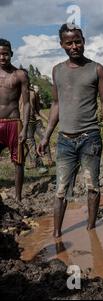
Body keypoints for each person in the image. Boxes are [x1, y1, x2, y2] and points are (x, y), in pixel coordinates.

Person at [38, 23, 103, 238]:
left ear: (84, 41)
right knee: (60, 191)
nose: (74, 46)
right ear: (61, 44)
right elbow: (56, 104)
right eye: (69, 42)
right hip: (64, 140)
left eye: (77, 41)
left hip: (90, 137)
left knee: (93, 187)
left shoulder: (96, 69)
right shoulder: (57, 71)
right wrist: (46, 136)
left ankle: (91, 232)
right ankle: (56, 235)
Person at [0, 38, 30, 202]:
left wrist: (25, 128)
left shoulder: (20, 75)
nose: (2, 57)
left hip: (14, 122)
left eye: (5, 54)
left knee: (18, 161)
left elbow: (26, 104)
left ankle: (18, 197)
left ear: (11, 54)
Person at [21, 84, 53, 174]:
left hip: (36, 119)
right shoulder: (17, 92)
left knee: (45, 136)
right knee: (30, 143)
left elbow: (38, 109)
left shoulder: (33, 92)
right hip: (25, 122)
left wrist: (48, 119)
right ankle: (39, 164)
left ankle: (49, 159)